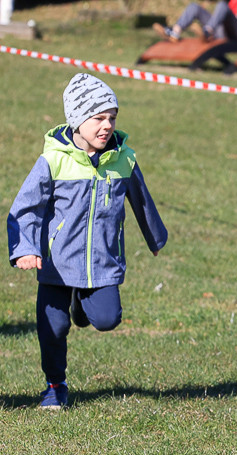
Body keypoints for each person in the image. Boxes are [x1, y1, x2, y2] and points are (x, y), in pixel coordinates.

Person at [6, 73, 168, 410]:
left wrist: (155, 236)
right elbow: (26, 206)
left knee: (107, 319)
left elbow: (141, 200)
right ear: (77, 121)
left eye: (112, 117)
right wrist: (25, 248)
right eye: (98, 118)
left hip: (101, 262)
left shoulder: (124, 159)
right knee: (54, 326)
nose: (106, 125)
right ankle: (55, 385)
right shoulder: (54, 159)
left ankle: (82, 301)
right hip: (56, 262)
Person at [154, 0, 237, 43]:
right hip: (221, 29)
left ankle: (207, 31)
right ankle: (175, 32)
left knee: (223, 5)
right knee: (194, 7)